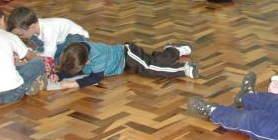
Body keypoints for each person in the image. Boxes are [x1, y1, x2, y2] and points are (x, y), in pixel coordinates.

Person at [54, 40, 198, 88]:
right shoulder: (75, 53)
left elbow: (95, 78)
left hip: (127, 54)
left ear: (88, 61)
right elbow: (74, 68)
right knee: (157, 63)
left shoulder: (96, 55)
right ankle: (173, 50)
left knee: (149, 68)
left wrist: (74, 84)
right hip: (126, 65)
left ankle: (183, 69)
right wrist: (60, 75)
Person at [7, 6, 89, 72]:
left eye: (21, 34)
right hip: (60, 42)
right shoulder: (33, 30)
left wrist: (33, 59)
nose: (20, 37)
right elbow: (36, 49)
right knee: (37, 46)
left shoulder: (48, 30)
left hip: (77, 38)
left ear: (32, 26)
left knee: (66, 56)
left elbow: (49, 54)